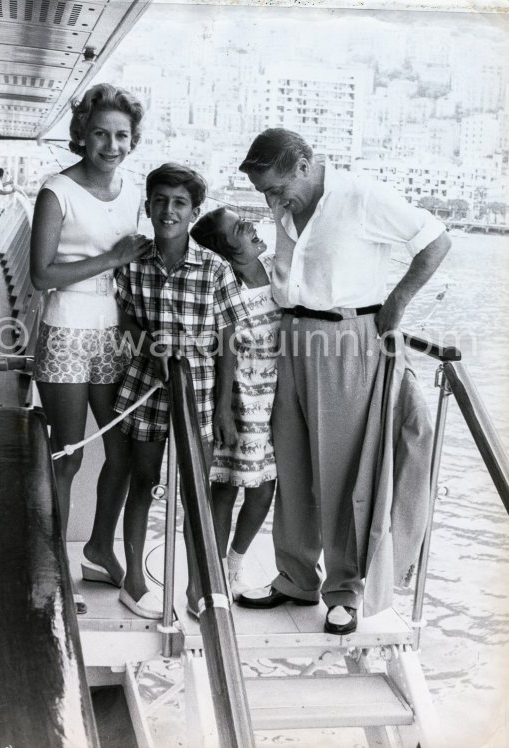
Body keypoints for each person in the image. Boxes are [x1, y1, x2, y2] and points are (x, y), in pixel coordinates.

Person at [236, 128, 451, 634]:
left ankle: (344, 591)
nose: (271, 201)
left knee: (341, 473)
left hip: (346, 337)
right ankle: (294, 577)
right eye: (264, 192)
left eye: (277, 188)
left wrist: (397, 303)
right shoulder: (287, 207)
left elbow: (436, 240)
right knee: (290, 466)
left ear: (306, 165)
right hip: (291, 337)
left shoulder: (361, 196)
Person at [30, 83, 148, 614]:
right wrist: (112, 258)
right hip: (67, 327)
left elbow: (141, 264)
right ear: (82, 134)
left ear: (133, 140)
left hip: (113, 332)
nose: (111, 144)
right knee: (68, 451)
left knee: (121, 449)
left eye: (121, 135)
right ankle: (47, 568)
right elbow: (41, 274)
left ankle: (100, 550)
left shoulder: (135, 191)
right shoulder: (57, 190)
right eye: (100, 133)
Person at [114, 164, 248, 618]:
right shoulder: (133, 263)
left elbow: (229, 339)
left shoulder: (215, 268)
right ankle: (133, 581)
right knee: (143, 480)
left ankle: (197, 588)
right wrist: (145, 343)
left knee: (196, 491)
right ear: (148, 205)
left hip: (201, 392)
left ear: (194, 212)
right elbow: (126, 320)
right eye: (160, 201)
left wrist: (225, 410)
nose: (168, 210)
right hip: (146, 389)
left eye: (179, 203)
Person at [190, 207, 281, 599]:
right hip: (237, 397)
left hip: (278, 397)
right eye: (240, 228)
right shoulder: (224, 288)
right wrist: (222, 406)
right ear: (223, 251)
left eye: (246, 221)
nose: (252, 227)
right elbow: (216, 348)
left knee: (264, 487)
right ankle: (211, 577)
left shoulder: (278, 269)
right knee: (224, 487)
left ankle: (234, 562)